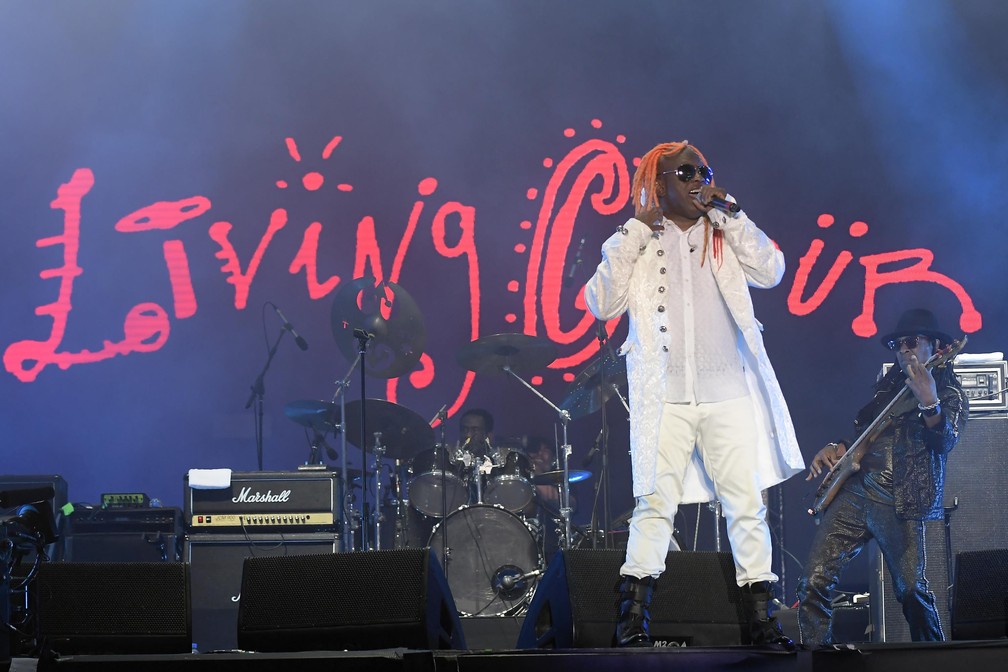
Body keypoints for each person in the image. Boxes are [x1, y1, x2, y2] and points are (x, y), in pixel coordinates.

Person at [584, 140, 805, 648]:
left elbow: (772, 271)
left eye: (703, 171)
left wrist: (733, 213)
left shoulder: (723, 231)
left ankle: (760, 620)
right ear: (658, 184)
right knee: (654, 506)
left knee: (747, 505)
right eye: (685, 172)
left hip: (726, 389)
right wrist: (635, 229)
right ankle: (633, 620)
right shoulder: (639, 240)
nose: (697, 180)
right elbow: (600, 303)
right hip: (663, 397)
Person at [797, 308, 967, 646]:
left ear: (935, 346)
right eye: (898, 344)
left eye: (911, 342)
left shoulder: (948, 390)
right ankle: (817, 658)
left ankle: (936, 659)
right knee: (813, 581)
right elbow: (865, 435)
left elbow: (945, 440)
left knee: (912, 591)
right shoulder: (888, 385)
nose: (903, 349)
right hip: (857, 492)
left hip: (900, 498)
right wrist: (837, 447)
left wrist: (929, 402)